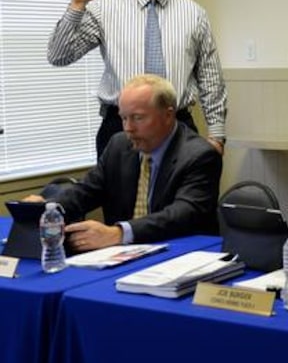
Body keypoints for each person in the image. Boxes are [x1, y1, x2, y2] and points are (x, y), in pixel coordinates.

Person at [47, 0, 227, 157]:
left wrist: (217, 136)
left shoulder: (194, 14)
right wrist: (77, 5)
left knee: (182, 194)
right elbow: (59, 56)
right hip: (121, 127)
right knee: (120, 194)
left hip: (177, 125)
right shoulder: (105, 11)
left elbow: (211, 80)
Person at [26, 74, 222, 252]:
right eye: (124, 118)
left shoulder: (200, 155)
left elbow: (182, 215)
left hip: (179, 251)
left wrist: (119, 233)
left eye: (138, 118)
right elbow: (86, 190)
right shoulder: (118, 145)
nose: (129, 128)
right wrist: (47, 208)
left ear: (168, 115)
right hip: (122, 254)